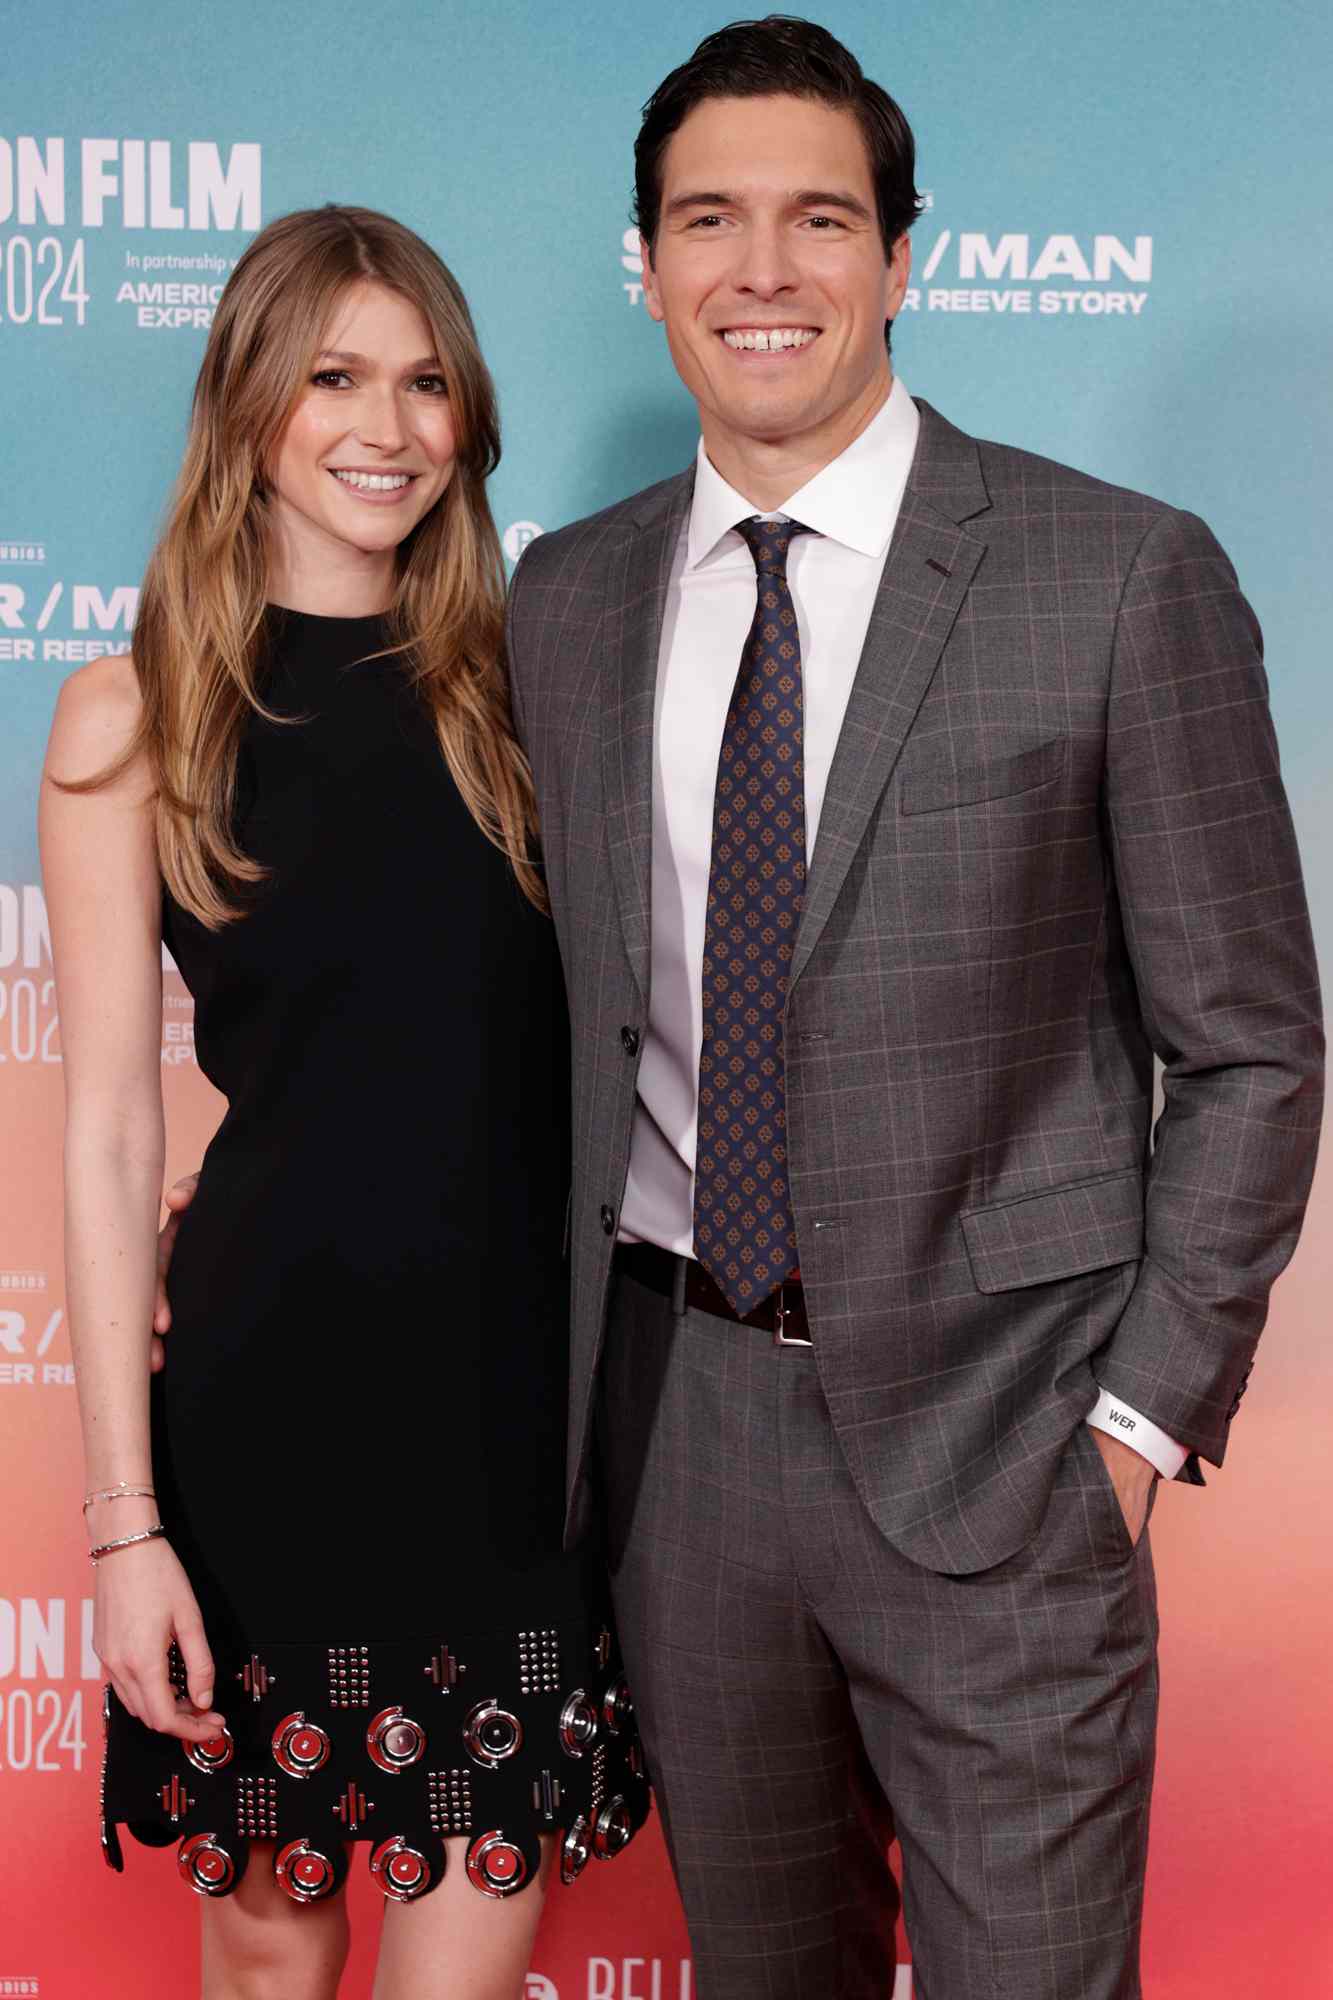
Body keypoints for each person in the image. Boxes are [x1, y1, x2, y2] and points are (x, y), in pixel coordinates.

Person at [154, 20, 1323, 1999]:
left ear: (900, 253)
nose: (758, 270)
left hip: (1004, 1447)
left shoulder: (1114, 577)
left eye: (814, 220)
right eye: (708, 220)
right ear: (647, 263)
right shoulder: (564, 608)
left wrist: (1131, 1423)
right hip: (670, 1447)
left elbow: (1250, 1044)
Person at [40, 204, 645, 2000]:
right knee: (265, 1962)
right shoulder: (130, 718)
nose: (385, 425)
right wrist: (125, 1528)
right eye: (333, 376)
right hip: (259, 1432)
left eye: (424, 381)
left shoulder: (538, 697)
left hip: (510, 1443)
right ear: (247, 402)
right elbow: (109, 1136)